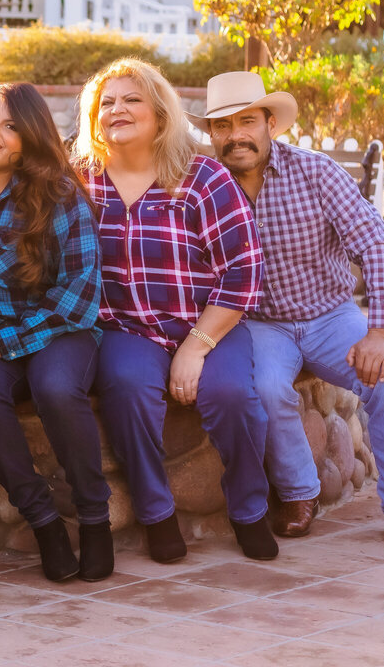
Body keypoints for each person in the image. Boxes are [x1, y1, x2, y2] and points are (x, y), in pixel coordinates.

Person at [199, 71, 384, 548]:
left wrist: (380, 333)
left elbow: (380, 248)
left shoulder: (317, 172)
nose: (236, 135)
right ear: (211, 133)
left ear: (271, 124)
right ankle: (300, 493)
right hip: (259, 323)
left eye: (247, 121)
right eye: (223, 126)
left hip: (330, 315)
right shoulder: (205, 186)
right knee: (265, 388)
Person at [74, 58, 278, 564]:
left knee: (231, 393)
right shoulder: (80, 180)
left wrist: (197, 345)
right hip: (126, 327)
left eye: (131, 99)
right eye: (106, 103)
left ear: (160, 114)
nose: (116, 109)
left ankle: (250, 509)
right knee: (125, 388)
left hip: (209, 321)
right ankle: (156, 513)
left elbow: (242, 273)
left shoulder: (203, 176)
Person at [0, 83, 112, 583]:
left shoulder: (58, 192)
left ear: (29, 140)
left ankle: (95, 518)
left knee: (56, 387)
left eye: (11, 126)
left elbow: (80, 295)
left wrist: (6, 341)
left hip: (58, 328)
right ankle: (45, 523)